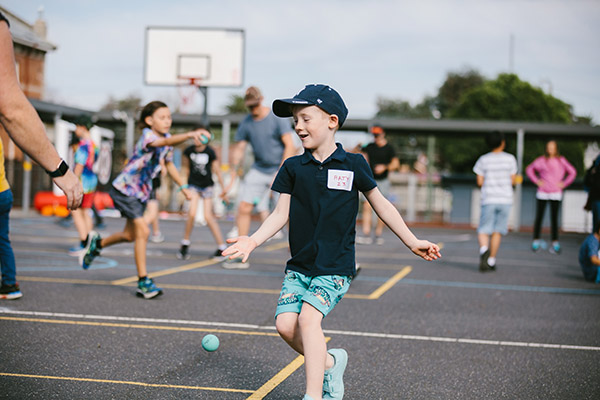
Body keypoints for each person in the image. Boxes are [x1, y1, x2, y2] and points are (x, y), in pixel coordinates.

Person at [223, 84, 441, 400]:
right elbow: (279, 214)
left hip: (334, 266)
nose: (298, 126)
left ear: (332, 121)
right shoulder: (293, 167)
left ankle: (313, 394)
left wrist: (411, 240)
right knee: (286, 325)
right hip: (300, 266)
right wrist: (252, 241)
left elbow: (381, 203)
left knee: (309, 321)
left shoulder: (354, 165)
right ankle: (329, 362)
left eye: (306, 118)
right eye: (295, 120)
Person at [79, 101, 208, 299]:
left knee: (129, 235)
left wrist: (183, 187)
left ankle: (97, 244)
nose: (167, 121)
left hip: (140, 194)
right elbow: (162, 143)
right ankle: (143, 281)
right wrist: (189, 135)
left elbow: (169, 164)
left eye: (169, 117)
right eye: (162, 117)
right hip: (124, 190)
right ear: (149, 120)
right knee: (143, 231)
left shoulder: (167, 140)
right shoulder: (149, 137)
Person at [0, 12, 83, 300]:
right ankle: (9, 284)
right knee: (3, 241)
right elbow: (11, 107)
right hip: (2, 189)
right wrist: (62, 170)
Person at [222, 86, 296, 269]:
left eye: (255, 105)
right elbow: (239, 149)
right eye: (249, 106)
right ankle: (240, 252)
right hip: (259, 169)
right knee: (244, 206)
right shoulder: (247, 122)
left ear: (261, 99)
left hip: (280, 167)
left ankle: (299, 252)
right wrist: (233, 171)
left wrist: (281, 172)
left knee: (290, 212)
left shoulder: (276, 119)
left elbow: (290, 145)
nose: (252, 109)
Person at [178, 126, 229, 260]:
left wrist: (224, 189)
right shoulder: (189, 151)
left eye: (201, 136)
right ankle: (185, 243)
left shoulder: (210, 152)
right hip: (193, 185)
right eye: (196, 136)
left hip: (207, 186)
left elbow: (217, 169)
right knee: (192, 213)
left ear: (207, 138)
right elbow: (186, 169)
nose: (197, 139)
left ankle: (221, 246)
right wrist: (184, 188)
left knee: (208, 216)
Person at [473, 131, 518, 272]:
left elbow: (479, 181)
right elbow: (513, 180)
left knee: (483, 230)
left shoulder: (483, 160)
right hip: (505, 199)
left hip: (489, 198)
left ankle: (484, 250)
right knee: (498, 231)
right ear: (502, 142)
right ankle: (491, 260)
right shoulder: (510, 159)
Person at [525, 140, 576, 254]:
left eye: (552, 147)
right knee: (539, 217)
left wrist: (564, 183)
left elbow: (572, 172)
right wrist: (537, 181)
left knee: (554, 218)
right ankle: (536, 240)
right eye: (548, 147)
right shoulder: (542, 160)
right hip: (542, 192)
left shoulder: (561, 160)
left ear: (556, 148)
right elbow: (529, 169)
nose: (550, 149)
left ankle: (555, 242)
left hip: (556, 193)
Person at [355, 125, 400, 245]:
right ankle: (366, 233)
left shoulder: (389, 148)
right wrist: (358, 147)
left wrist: (384, 167)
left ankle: (378, 234)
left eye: (378, 135)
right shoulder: (369, 147)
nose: (376, 137)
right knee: (366, 206)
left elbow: (396, 164)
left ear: (383, 134)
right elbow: (358, 154)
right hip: (370, 179)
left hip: (383, 180)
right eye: (374, 135)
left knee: (382, 207)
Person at [68, 115, 100, 256]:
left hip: (82, 182)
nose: (75, 130)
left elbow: (79, 166)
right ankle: (90, 242)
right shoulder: (94, 145)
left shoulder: (83, 146)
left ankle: (84, 242)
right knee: (86, 212)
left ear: (82, 127)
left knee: (75, 211)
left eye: (76, 127)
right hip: (91, 181)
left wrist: (72, 181)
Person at [584, 153, 600, 234]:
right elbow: (587, 180)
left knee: (596, 224)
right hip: (597, 197)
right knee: (597, 225)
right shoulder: (597, 163)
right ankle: (596, 245)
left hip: (596, 197)